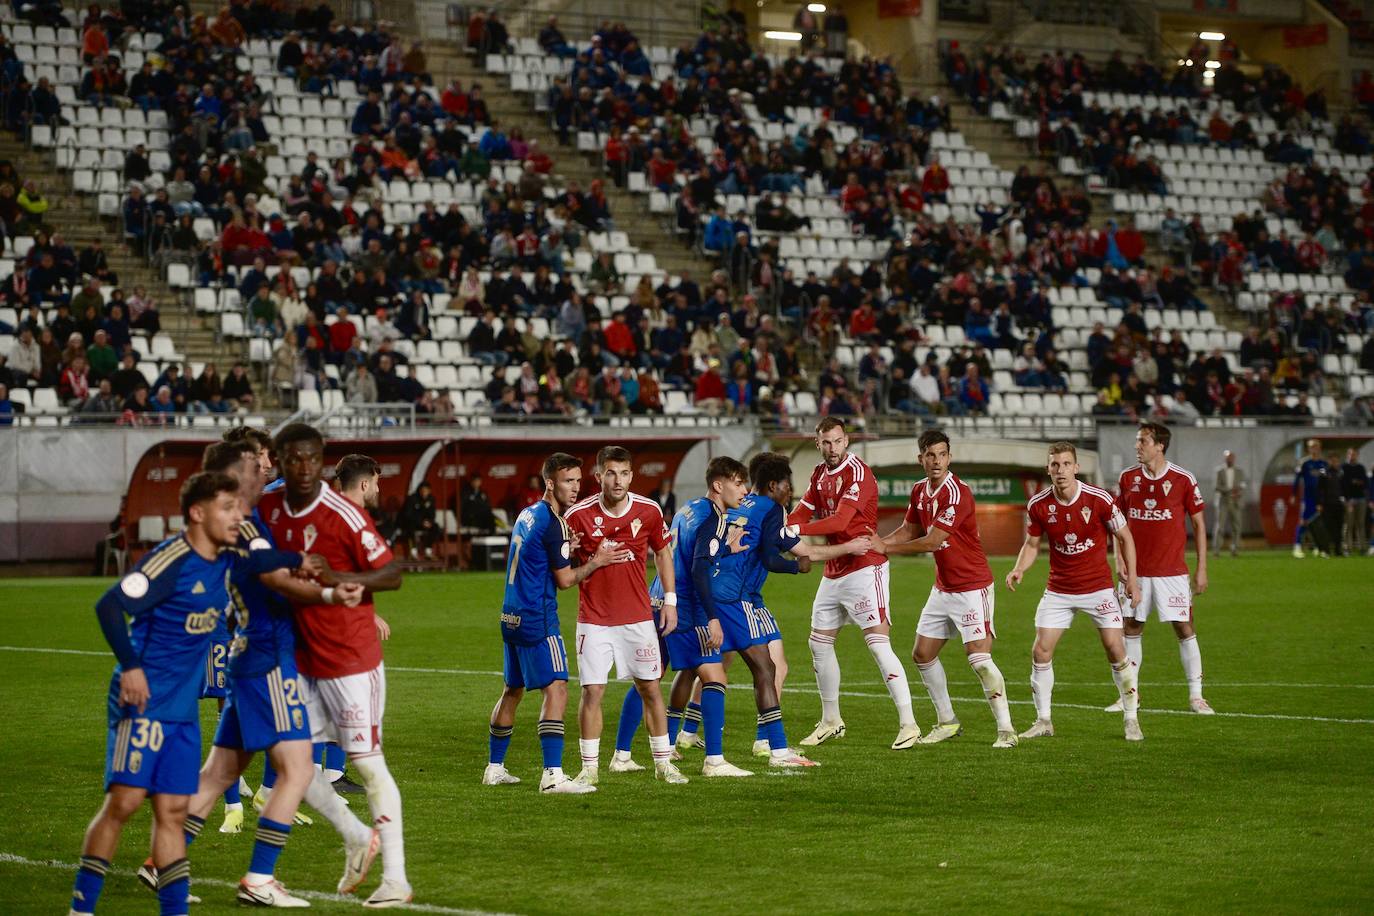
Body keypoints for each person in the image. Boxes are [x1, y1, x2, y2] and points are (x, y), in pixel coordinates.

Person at [140, 440, 370, 907]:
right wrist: (324, 592)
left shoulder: (242, 519)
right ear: (233, 474)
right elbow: (272, 576)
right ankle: (259, 878)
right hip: (268, 656)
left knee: (220, 771)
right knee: (299, 770)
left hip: (250, 654)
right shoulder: (245, 522)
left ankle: (162, 863)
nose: (266, 469)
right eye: (257, 464)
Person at [69, 471, 307, 916]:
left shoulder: (226, 558)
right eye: (227, 509)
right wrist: (133, 669)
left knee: (175, 813)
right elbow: (109, 605)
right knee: (122, 804)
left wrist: (303, 558)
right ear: (197, 513)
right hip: (143, 700)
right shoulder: (171, 559)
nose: (238, 518)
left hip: (180, 710)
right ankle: (81, 909)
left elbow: (263, 561)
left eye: (239, 510)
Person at [258, 431, 412, 907]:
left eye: (311, 459)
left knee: (367, 766)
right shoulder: (269, 508)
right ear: (280, 461)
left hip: (350, 659)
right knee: (292, 766)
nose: (302, 466)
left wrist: (339, 578)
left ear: (320, 463)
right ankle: (353, 834)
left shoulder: (344, 513)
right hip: (302, 657)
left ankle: (395, 879)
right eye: (292, 458)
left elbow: (391, 574)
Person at [874, 430, 1017, 748]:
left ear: (949, 457)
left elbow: (932, 540)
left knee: (979, 659)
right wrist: (880, 543)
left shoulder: (957, 493)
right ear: (920, 459)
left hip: (972, 586)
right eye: (930, 454)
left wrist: (886, 550)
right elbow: (910, 528)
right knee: (922, 655)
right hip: (944, 588)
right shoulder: (919, 491)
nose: (936, 460)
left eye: (941, 454)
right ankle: (947, 721)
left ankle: (1006, 730)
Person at [483, 453, 616, 795]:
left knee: (512, 691)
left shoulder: (528, 514)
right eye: (568, 481)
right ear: (550, 482)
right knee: (557, 688)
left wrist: (564, 549)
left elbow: (537, 556)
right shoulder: (553, 522)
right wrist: (597, 561)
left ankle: (494, 768)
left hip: (510, 615)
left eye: (577, 480)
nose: (575, 488)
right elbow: (565, 581)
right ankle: (553, 776)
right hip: (537, 618)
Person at [786, 417, 919, 750]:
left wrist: (795, 532)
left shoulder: (858, 473)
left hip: (864, 567)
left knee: (877, 643)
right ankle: (831, 720)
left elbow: (841, 520)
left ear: (846, 441)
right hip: (834, 569)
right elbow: (802, 512)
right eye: (825, 443)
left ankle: (909, 723)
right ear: (817, 443)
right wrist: (780, 525)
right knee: (818, 643)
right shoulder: (818, 475)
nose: (832, 448)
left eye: (837, 441)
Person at [563, 445, 687, 786]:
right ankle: (589, 769)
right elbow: (566, 569)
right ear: (599, 475)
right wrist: (573, 553)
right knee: (593, 692)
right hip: (594, 620)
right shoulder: (578, 515)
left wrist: (671, 601)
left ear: (632, 475)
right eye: (611, 473)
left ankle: (664, 764)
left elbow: (663, 553)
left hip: (637, 618)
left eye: (625, 473)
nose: (618, 481)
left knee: (651, 688)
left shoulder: (648, 510)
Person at [1006, 442, 1143, 742]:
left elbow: (1125, 537)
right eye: (1055, 465)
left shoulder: (1099, 499)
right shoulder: (1038, 505)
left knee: (1115, 649)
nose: (1060, 470)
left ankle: (1131, 718)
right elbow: (1031, 544)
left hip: (1098, 588)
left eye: (1066, 464)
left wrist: (1132, 580)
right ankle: (1044, 721)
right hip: (1059, 589)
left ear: (1076, 467)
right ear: (1048, 469)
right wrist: (1019, 569)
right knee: (1040, 651)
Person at [1112, 423, 1213, 715]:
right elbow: (1115, 523)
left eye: (1143, 441)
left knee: (1183, 627)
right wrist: (1118, 560)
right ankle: (1130, 695)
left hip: (1172, 573)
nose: (1137, 446)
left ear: (1160, 445)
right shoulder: (1127, 478)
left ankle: (1196, 696)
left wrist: (1201, 568)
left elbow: (1199, 525)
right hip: (1136, 572)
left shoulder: (1183, 479)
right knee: (1131, 628)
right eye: (1137, 441)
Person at [1292, 438, 1329, 558]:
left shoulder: (1323, 464)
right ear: (1308, 449)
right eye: (1312, 447)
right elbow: (1297, 479)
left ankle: (1318, 547)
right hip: (1307, 497)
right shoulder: (1304, 463)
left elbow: (1324, 481)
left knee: (1317, 523)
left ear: (1320, 448)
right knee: (1303, 521)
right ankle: (1297, 547)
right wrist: (1293, 494)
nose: (1314, 449)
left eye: (1316, 446)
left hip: (1319, 498)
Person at [1213, 450, 1245, 556]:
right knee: (1220, 526)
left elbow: (1243, 485)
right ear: (1225, 458)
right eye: (1228, 458)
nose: (1230, 459)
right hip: (1223, 501)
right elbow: (1216, 487)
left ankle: (1235, 549)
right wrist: (1229, 490)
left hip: (1236, 502)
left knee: (1237, 526)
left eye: (1231, 457)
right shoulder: (1219, 471)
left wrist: (1239, 492)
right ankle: (1216, 549)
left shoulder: (1239, 471)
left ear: (1234, 459)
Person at [1340, 448, 1369, 556]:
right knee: (1348, 524)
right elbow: (1343, 484)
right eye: (1351, 454)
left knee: (1360, 524)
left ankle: (1362, 548)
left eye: (1355, 454)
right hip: (1349, 500)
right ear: (1348, 455)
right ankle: (1347, 548)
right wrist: (1347, 500)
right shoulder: (1344, 468)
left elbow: (1365, 482)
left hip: (1361, 499)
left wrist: (1356, 482)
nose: (1352, 456)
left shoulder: (1361, 467)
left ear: (1357, 455)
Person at [399, 482, 438, 559]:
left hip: (424, 523)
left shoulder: (431, 499)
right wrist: (421, 522)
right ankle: (413, 551)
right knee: (409, 526)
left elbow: (432, 514)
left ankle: (428, 550)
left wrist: (430, 522)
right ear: (419, 490)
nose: (424, 493)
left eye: (426, 491)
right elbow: (408, 515)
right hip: (412, 522)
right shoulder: (412, 499)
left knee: (435, 527)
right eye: (423, 490)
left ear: (429, 491)